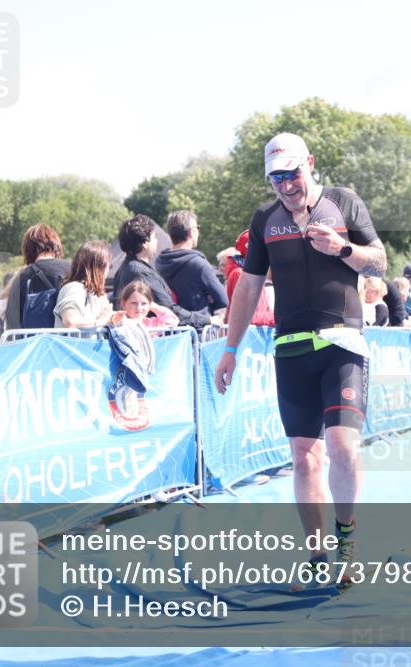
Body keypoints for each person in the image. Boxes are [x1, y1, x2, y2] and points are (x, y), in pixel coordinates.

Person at [214, 132, 387, 589]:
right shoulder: (265, 219)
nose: (286, 185)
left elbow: (380, 263)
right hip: (291, 349)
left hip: (343, 343)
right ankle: (316, 555)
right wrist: (230, 349)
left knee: (343, 447)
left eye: (292, 173)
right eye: (276, 178)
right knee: (305, 460)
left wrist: (343, 249)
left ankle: (348, 545)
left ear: (309, 163)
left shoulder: (343, 203)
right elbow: (249, 286)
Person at [112, 214, 215, 330]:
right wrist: (206, 320)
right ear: (145, 243)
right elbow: (169, 309)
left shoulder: (125, 268)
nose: (156, 242)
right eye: (154, 237)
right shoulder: (140, 272)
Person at [156, 210, 229, 318]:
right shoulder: (199, 264)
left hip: (170, 326)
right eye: (198, 228)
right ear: (191, 232)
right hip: (198, 328)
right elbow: (223, 300)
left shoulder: (159, 262)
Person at [5, 224, 70, 330]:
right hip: (70, 342)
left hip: (34, 344)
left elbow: (12, 322)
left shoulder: (21, 278)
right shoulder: (72, 270)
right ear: (56, 245)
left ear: (27, 249)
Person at [53, 241, 113, 328]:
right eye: (109, 266)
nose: (108, 271)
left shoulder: (96, 294)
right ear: (99, 268)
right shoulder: (75, 288)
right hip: (71, 341)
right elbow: (70, 321)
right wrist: (102, 321)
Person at [224, 230, 275, 327]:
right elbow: (249, 315)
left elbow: (264, 309)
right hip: (245, 338)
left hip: (255, 337)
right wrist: (277, 317)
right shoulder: (239, 274)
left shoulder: (254, 275)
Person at [112, 280, 178, 328]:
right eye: (134, 303)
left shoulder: (151, 324)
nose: (139, 308)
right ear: (123, 303)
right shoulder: (118, 319)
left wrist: (155, 307)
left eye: (143, 304)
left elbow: (173, 320)